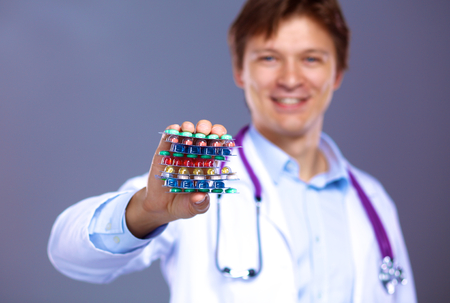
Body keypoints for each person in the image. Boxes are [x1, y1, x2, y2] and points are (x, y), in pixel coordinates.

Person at [48, 0, 417, 302]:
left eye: (311, 58)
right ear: (240, 70)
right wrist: (146, 210)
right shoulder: (196, 183)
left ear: (337, 73)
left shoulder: (373, 202)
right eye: (269, 58)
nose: (290, 78)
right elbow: (68, 254)